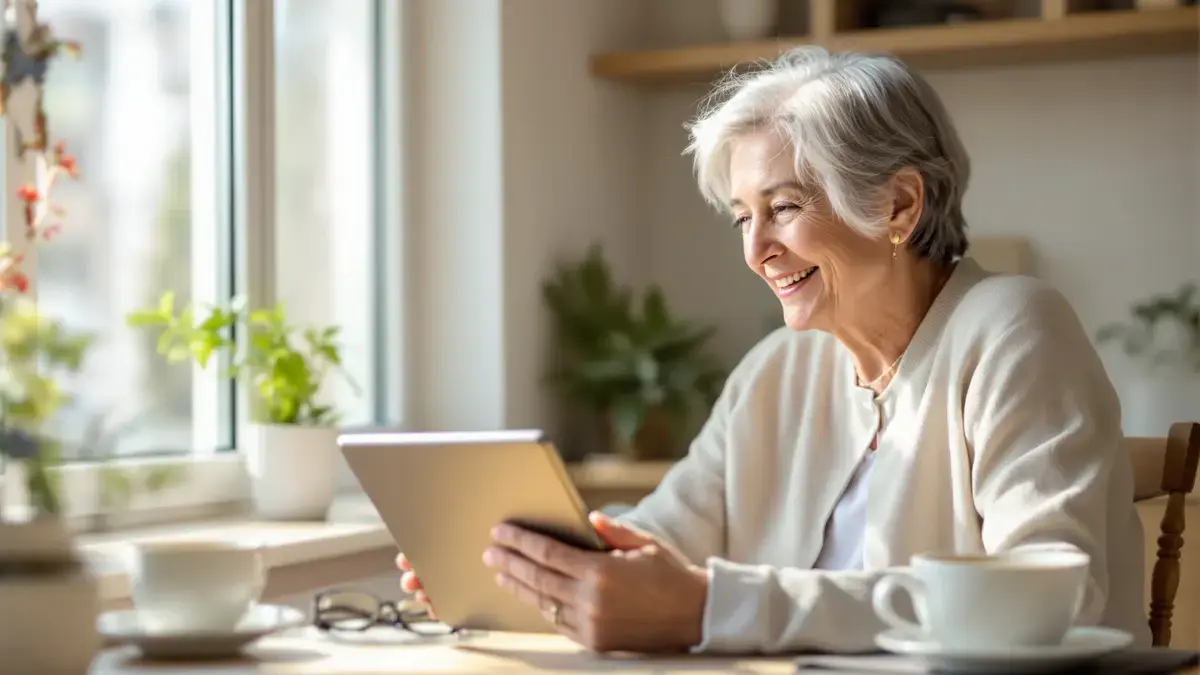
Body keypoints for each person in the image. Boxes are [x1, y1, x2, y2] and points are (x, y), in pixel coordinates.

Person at [396, 46, 1150, 655]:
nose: (756, 251)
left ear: (899, 204)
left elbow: (1052, 596)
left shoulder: (1014, 328)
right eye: (741, 218)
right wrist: (543, 566)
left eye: (784, 208)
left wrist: (712, 607)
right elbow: (669, 528)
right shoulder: (778, 371)